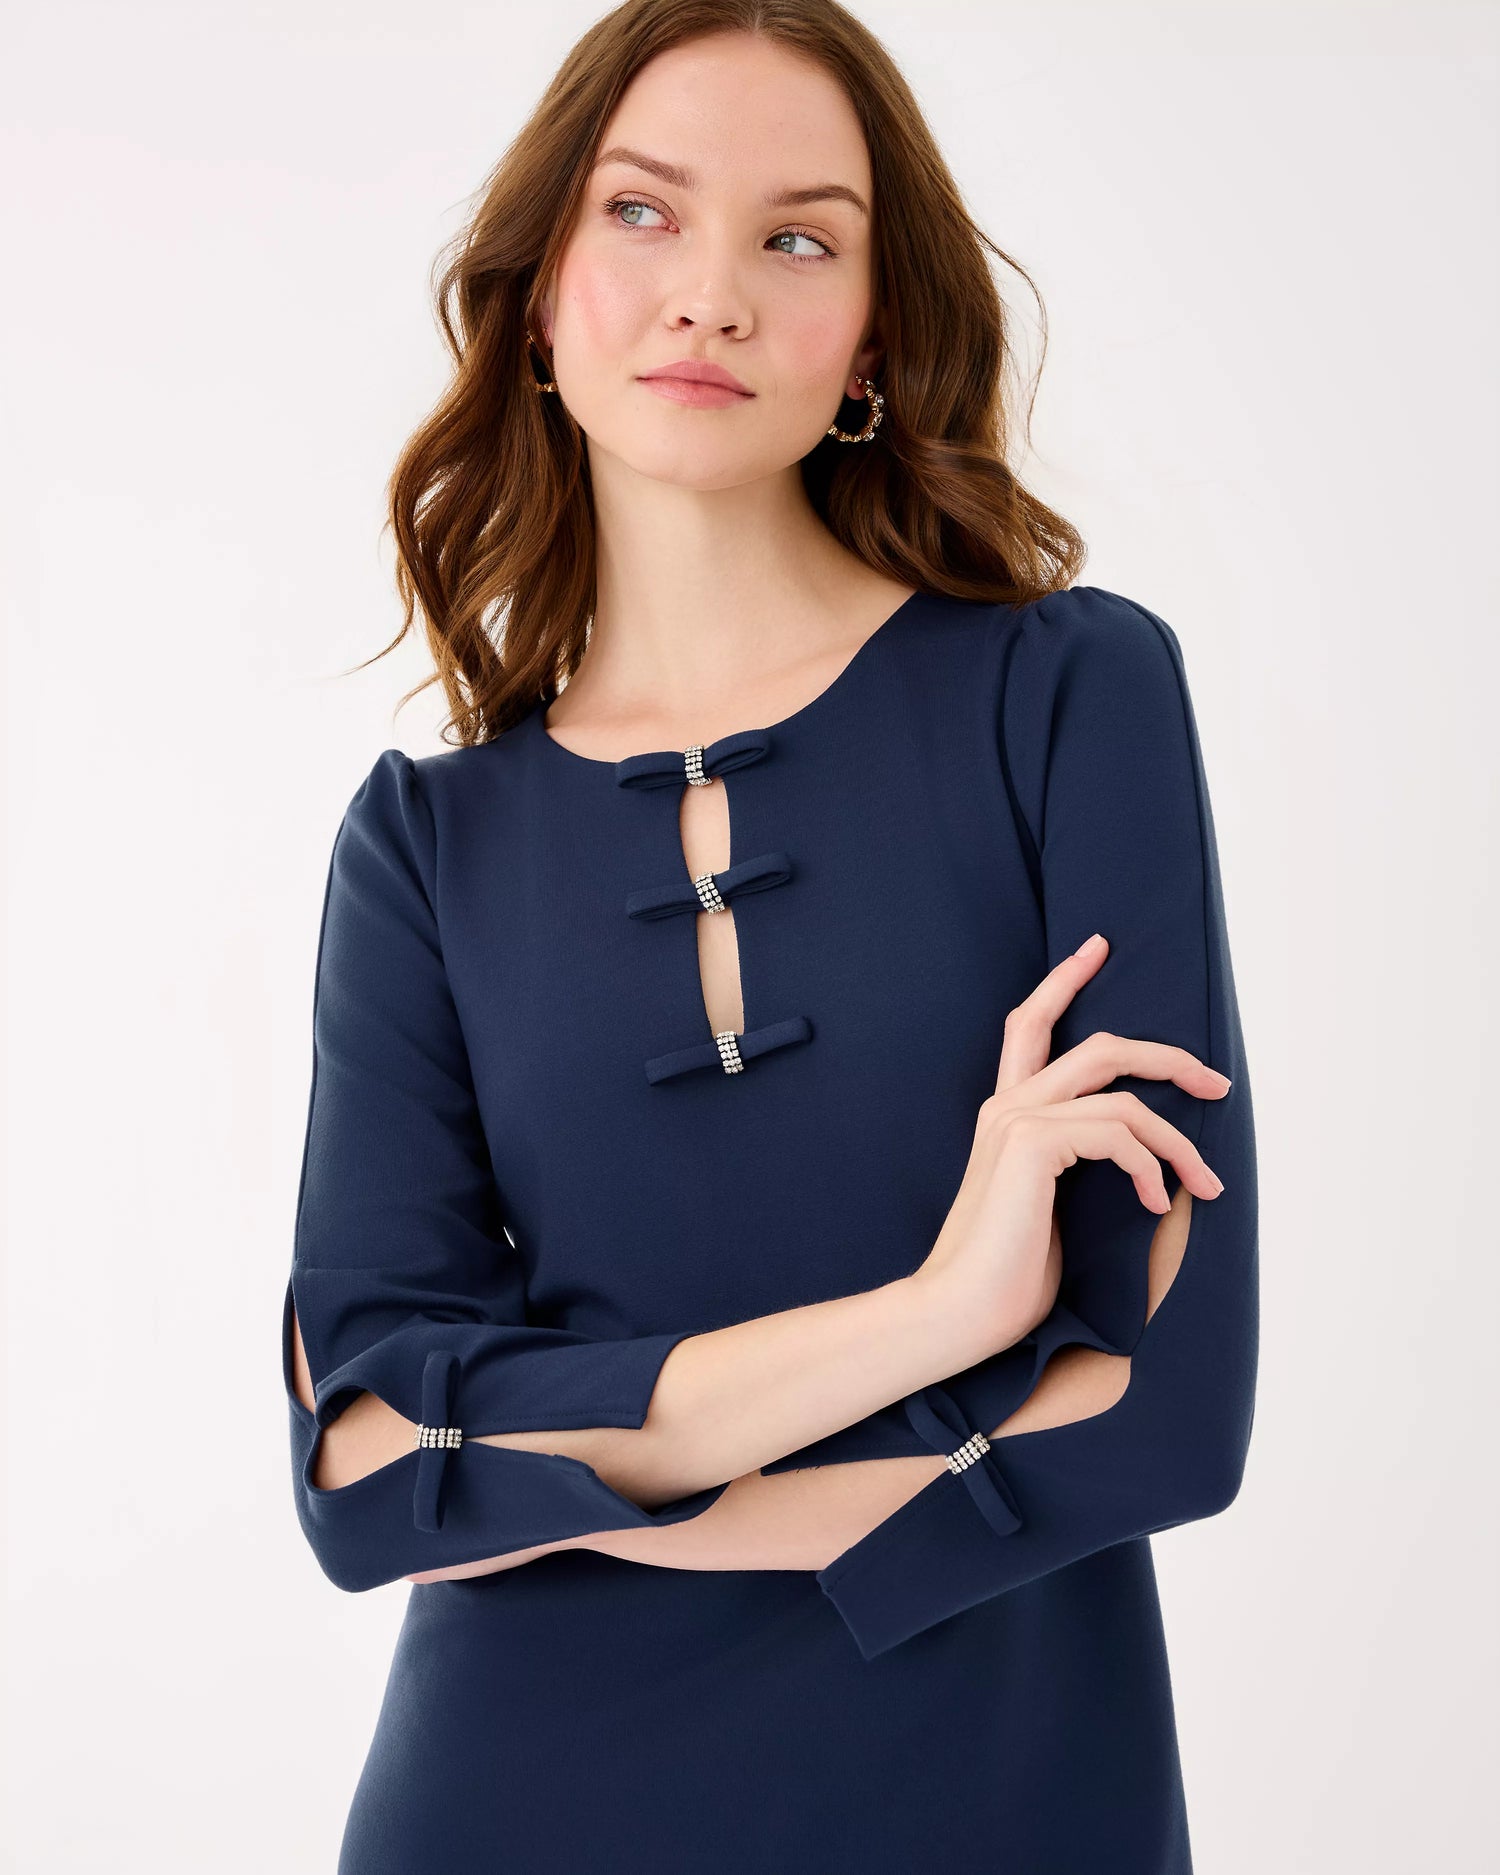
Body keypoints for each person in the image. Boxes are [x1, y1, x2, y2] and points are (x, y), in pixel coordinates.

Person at [281, 4, 1259, 1869]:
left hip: (1003, 1793)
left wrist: (584, 1479)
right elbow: (357, 1460)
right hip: (511, 1806)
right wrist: (941, 1324)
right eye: (643, 214)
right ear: (541, 292)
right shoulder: (425, 844)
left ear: (873, 341)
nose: (710, 294)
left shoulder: (1068, 696)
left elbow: (1157, 1412)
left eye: (796, 238)